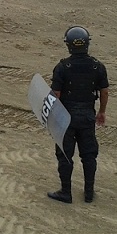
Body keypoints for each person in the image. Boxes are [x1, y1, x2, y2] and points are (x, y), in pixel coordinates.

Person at [47, 26, 109, 204]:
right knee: (89, 155)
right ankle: (89, 193)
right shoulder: (98, 66)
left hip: (66, 118)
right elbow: (104, 92)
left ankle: (66, 192)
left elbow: (56, 95)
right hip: (87, 116)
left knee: (65, 155)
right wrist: (102, 112)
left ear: (68, 45)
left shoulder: (62, 67)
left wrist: (52, 117)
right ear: (87, 44)